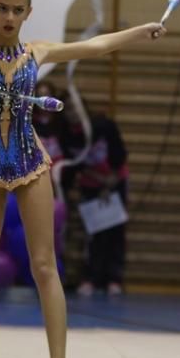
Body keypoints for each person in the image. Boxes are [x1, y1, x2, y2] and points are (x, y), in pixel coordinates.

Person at [0, 0, 164, 358]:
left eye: (17, 9)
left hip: (30, 166)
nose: (9, 17)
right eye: (2, 8)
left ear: (28, 13)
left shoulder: (39, 53)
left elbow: (95, 46)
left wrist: (139, 32)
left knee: (44, 265)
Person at [59, 93, 129, 296]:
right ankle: (92, 277)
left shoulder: (103, 126)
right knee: (93, 233)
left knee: (114, 231)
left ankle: (114, 278)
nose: (72, 113)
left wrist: (110, 184)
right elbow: (75, 164)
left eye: (75, 108)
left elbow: (119, 154)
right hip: (91, 184)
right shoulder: (67, 135)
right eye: (68, 110)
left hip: (115, 180)